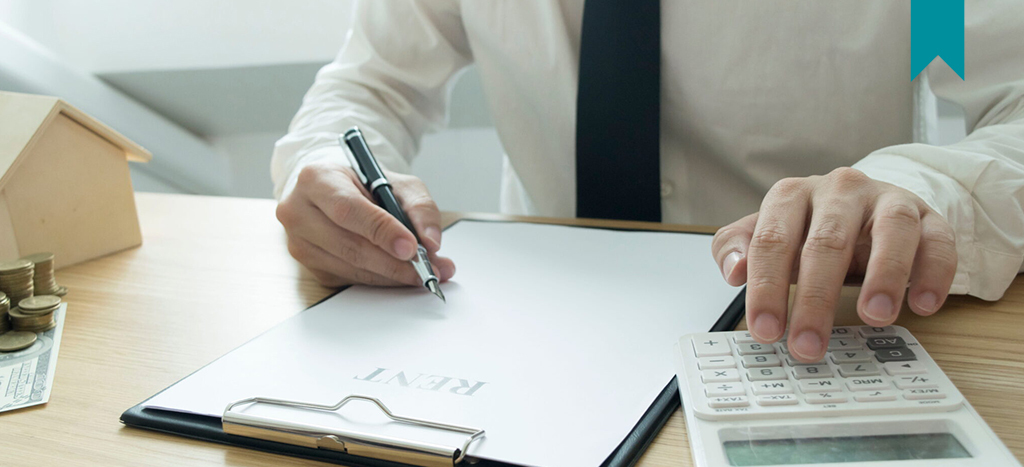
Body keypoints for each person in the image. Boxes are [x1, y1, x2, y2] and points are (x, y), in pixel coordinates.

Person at [271, 0, 1024, 363]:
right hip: (533, 335)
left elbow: (1010, 96)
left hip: (822, 330)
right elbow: (373, 87)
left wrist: (916, 186)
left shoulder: (935, 9)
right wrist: (324, 165)